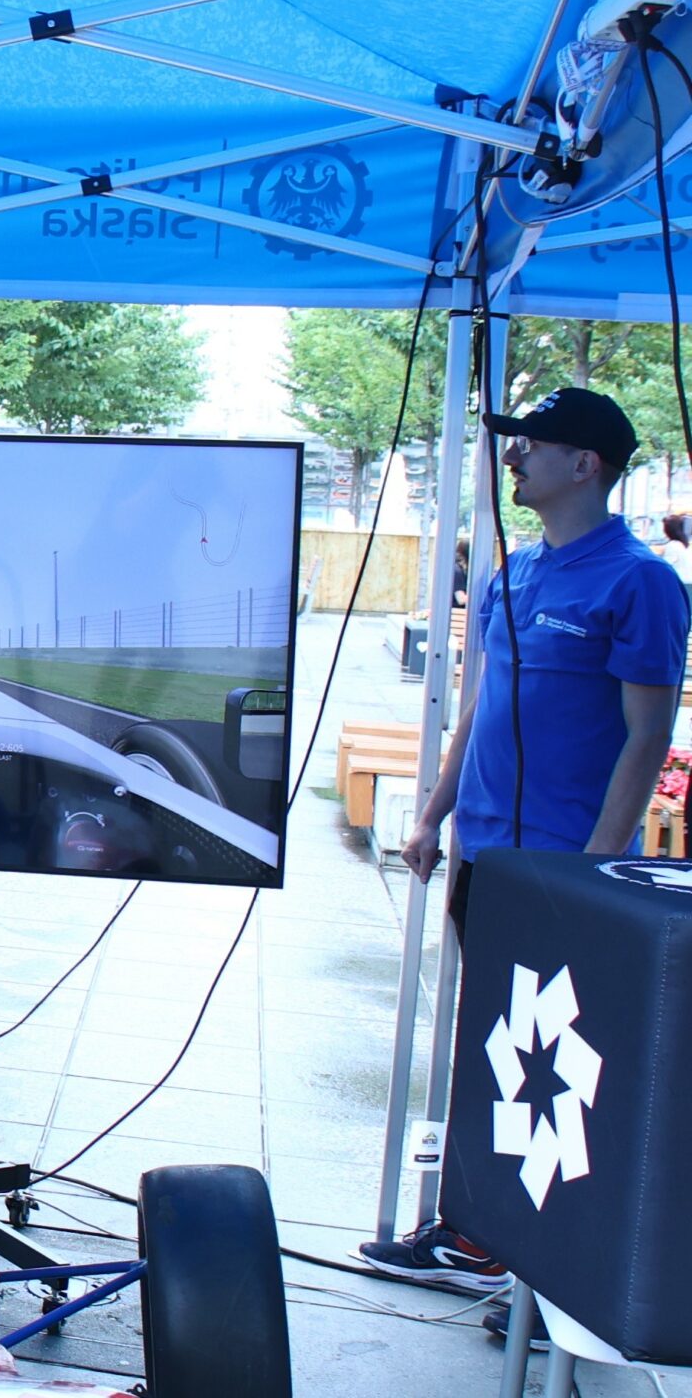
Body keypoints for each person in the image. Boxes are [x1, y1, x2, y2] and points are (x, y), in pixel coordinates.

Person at [371, 387, 689, 1295]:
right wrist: (434, 814)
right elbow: (481, 705)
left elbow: (648, 735)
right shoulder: (515, 574)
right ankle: (480, 1236)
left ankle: (530, 1261)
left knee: (556, 1065)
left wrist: (595, 869)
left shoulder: (640, 582)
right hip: (488, 859)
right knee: (489, 1042)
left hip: (564, 865)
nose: (512, 457)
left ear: (585, 463)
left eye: (532, 444)